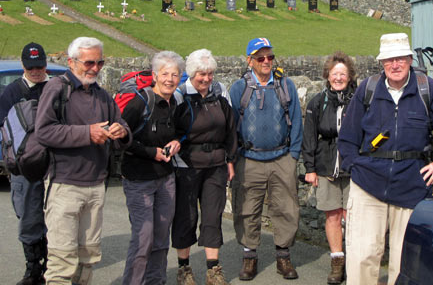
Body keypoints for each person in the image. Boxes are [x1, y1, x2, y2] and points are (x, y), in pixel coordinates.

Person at [338, 33, 433, 285]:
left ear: (410, 59)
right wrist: (354, 167)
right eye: (389, 60)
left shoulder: (427, 89)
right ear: (382, 63)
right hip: (367, 186)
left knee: (405, 266)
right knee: (361, 259)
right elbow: (346, 139)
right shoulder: (367, 90)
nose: (395, 65)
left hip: (413, 188)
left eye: (400, 58)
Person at [35, 37, 132, 285]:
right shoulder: (56, 88)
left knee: (88, 257)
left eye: (100, 62)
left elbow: (120, 124)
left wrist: (122, 131)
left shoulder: (101, 94)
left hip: (96, 185)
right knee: (62, 259)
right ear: (71, 62)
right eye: (90, 62)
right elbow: (43, 132)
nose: (96, 68)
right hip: (65, 185)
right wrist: (87, 133)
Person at [229, 38, 303, 281]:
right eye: (260, 58)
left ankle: (283, 257)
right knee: (247, 210)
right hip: (248, 159)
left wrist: (293, 157)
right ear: (249, 60)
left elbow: (296, 122)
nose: (266, 62)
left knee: (286, 209)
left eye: (270, 57)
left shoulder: (286, 85)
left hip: (281, 158)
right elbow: (231, 127)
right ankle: (249, 257)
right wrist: (233, 158)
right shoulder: (239, 88)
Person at [171, 49, 237, 285]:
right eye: (201, 74)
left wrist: (230, 160)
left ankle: (213, 269)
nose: (207, 79)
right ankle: (184, 269)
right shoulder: (179, 95)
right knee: (186, 217)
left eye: (210, 74)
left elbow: (231, 129)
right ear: (191, 73)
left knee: (212, 215)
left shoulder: (220, 92)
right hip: (186, 165)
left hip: (216, 164)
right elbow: (171, 130)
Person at [120, 51, 184, 285]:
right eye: (165, 74)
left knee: (160, 239)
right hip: (139, 180)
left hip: (165, 178)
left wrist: (176, 143)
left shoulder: (174, 102)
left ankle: (156, 281)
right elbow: (121, 140)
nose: (170, 79)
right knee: (143, 239)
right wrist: (151, 152)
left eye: (175, 74)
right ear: (155, 76)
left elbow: (177, 132)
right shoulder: (140, 102)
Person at [0, 43, 50, 285]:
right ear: (23, 66)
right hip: (23, 168)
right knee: (28, 217)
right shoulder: (12, 92)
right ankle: (32, 268)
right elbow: (4, 130)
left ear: (46, 64)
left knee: (53, 218)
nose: (36, 71)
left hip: (53, 166)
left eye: (39, 66)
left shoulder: (55, 88)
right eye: (31, 68)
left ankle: (52, 266)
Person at [302, 52, 357, 284]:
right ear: (327, 76)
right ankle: (337, 261)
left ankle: (355, 261)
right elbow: (309, 136)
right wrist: (310, 168)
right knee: (332, 215)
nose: (338, 78)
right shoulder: (317, 101)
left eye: (343, 74)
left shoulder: (359, 100)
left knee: (353, 217)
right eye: (335, 74)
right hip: (326, 167)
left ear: (350, 76)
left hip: (355, 168)